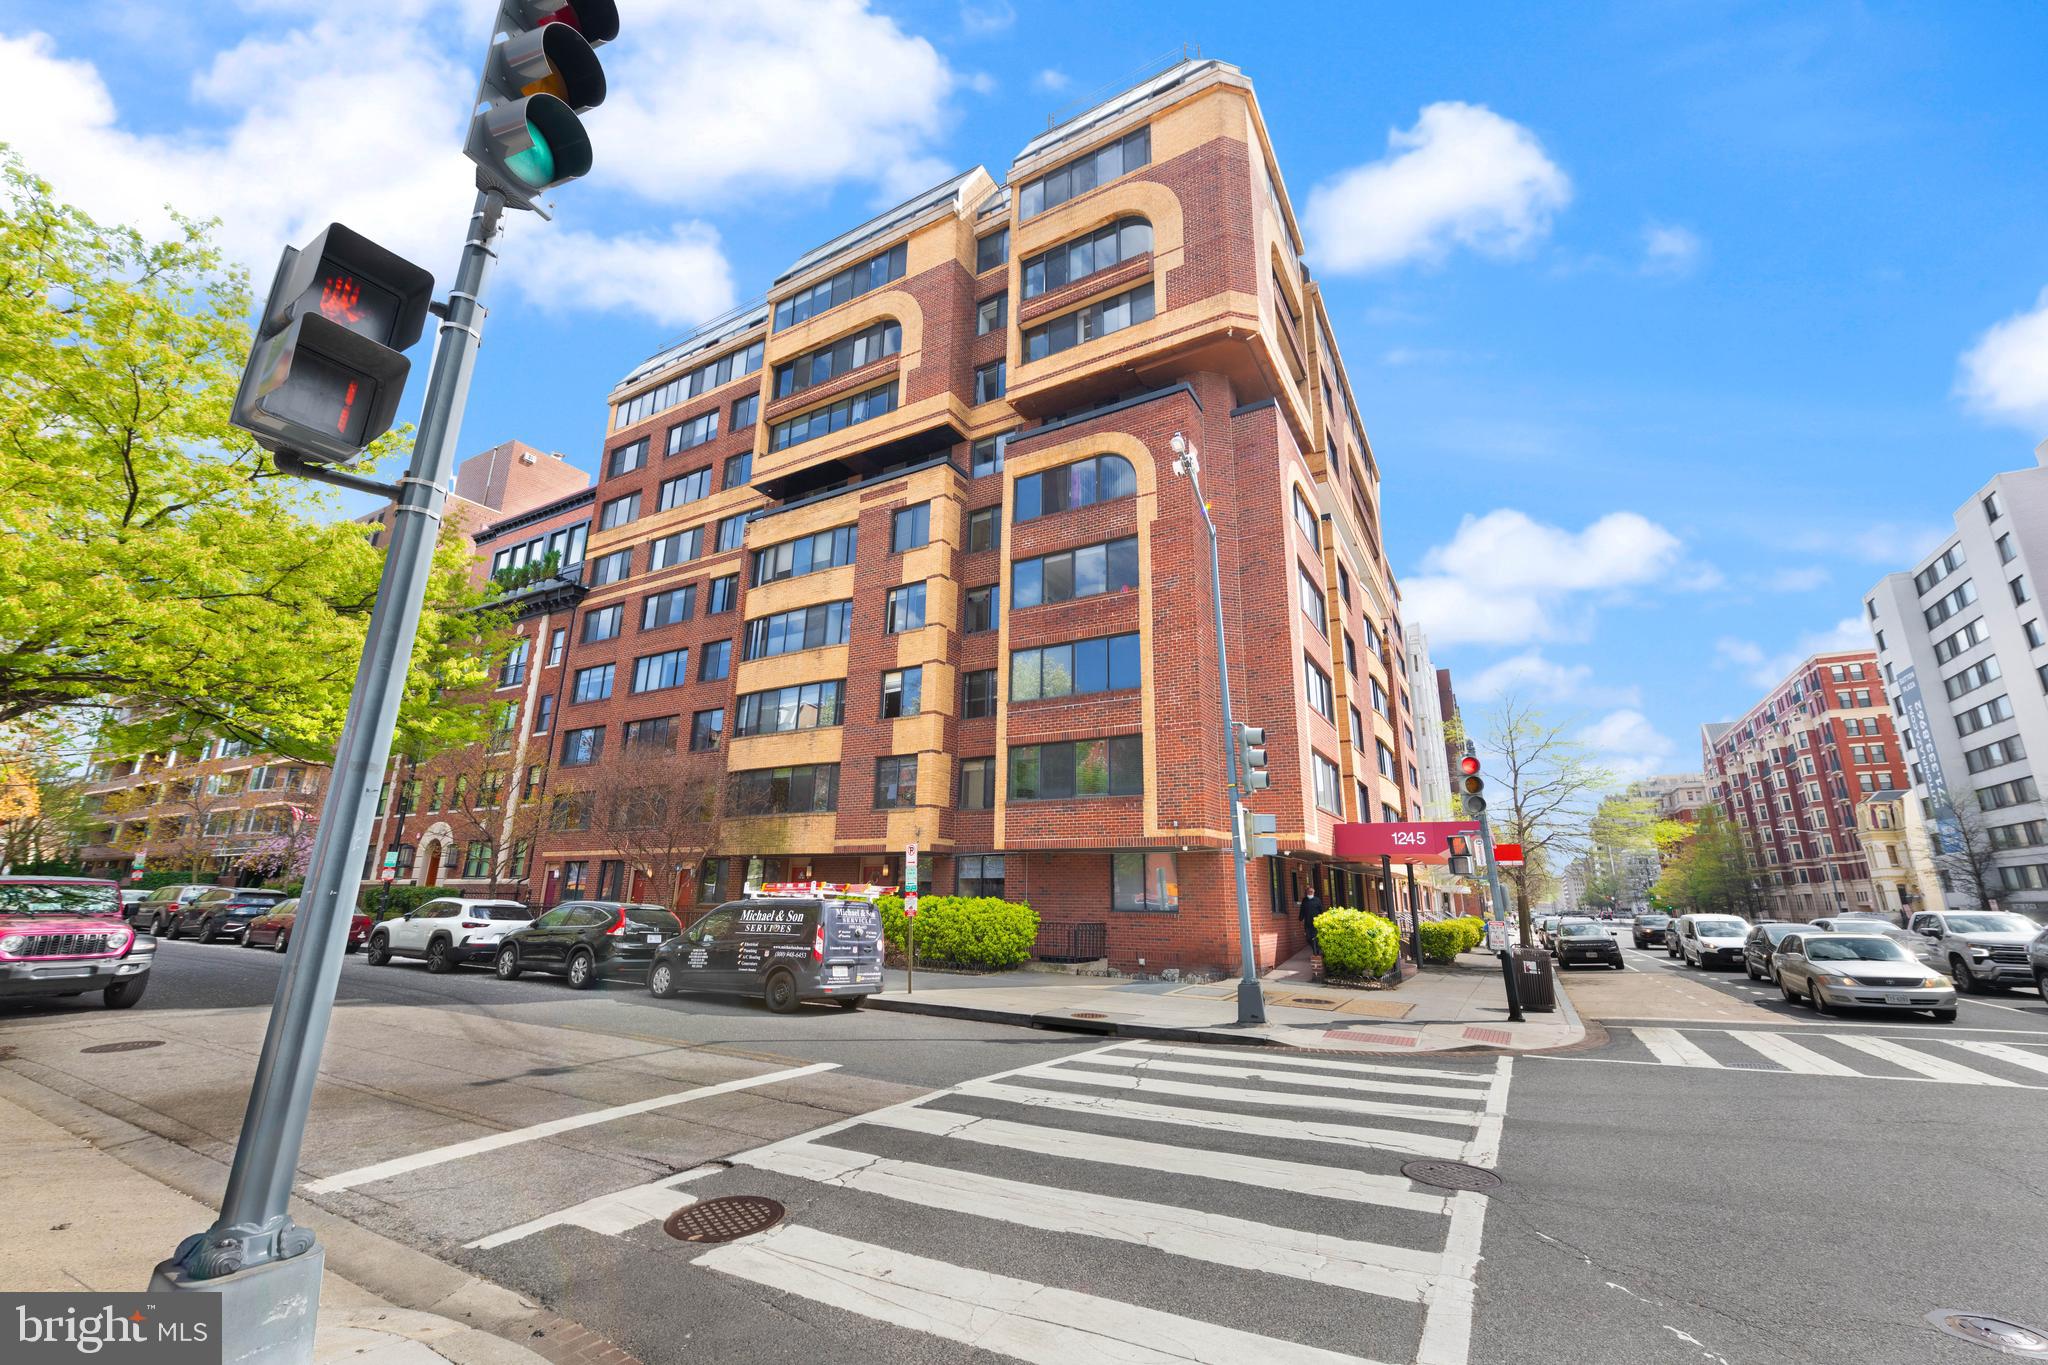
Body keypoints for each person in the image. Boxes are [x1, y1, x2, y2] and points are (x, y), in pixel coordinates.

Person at [1299, 883, 1326, 951]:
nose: (1310, 893)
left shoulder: (1317, 900)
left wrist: (1322, 919)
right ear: (1307, 892)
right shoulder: (1304, 900)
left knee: (1315, 937)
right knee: (1308, 938)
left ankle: (1315, 950)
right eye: (1309, 892)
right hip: (1307, 922)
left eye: (1311, 892)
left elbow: (1321, 910)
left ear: (1314, 892)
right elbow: (1302, 910)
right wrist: (1300, 918)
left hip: (1316, 922)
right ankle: (1315, 949)